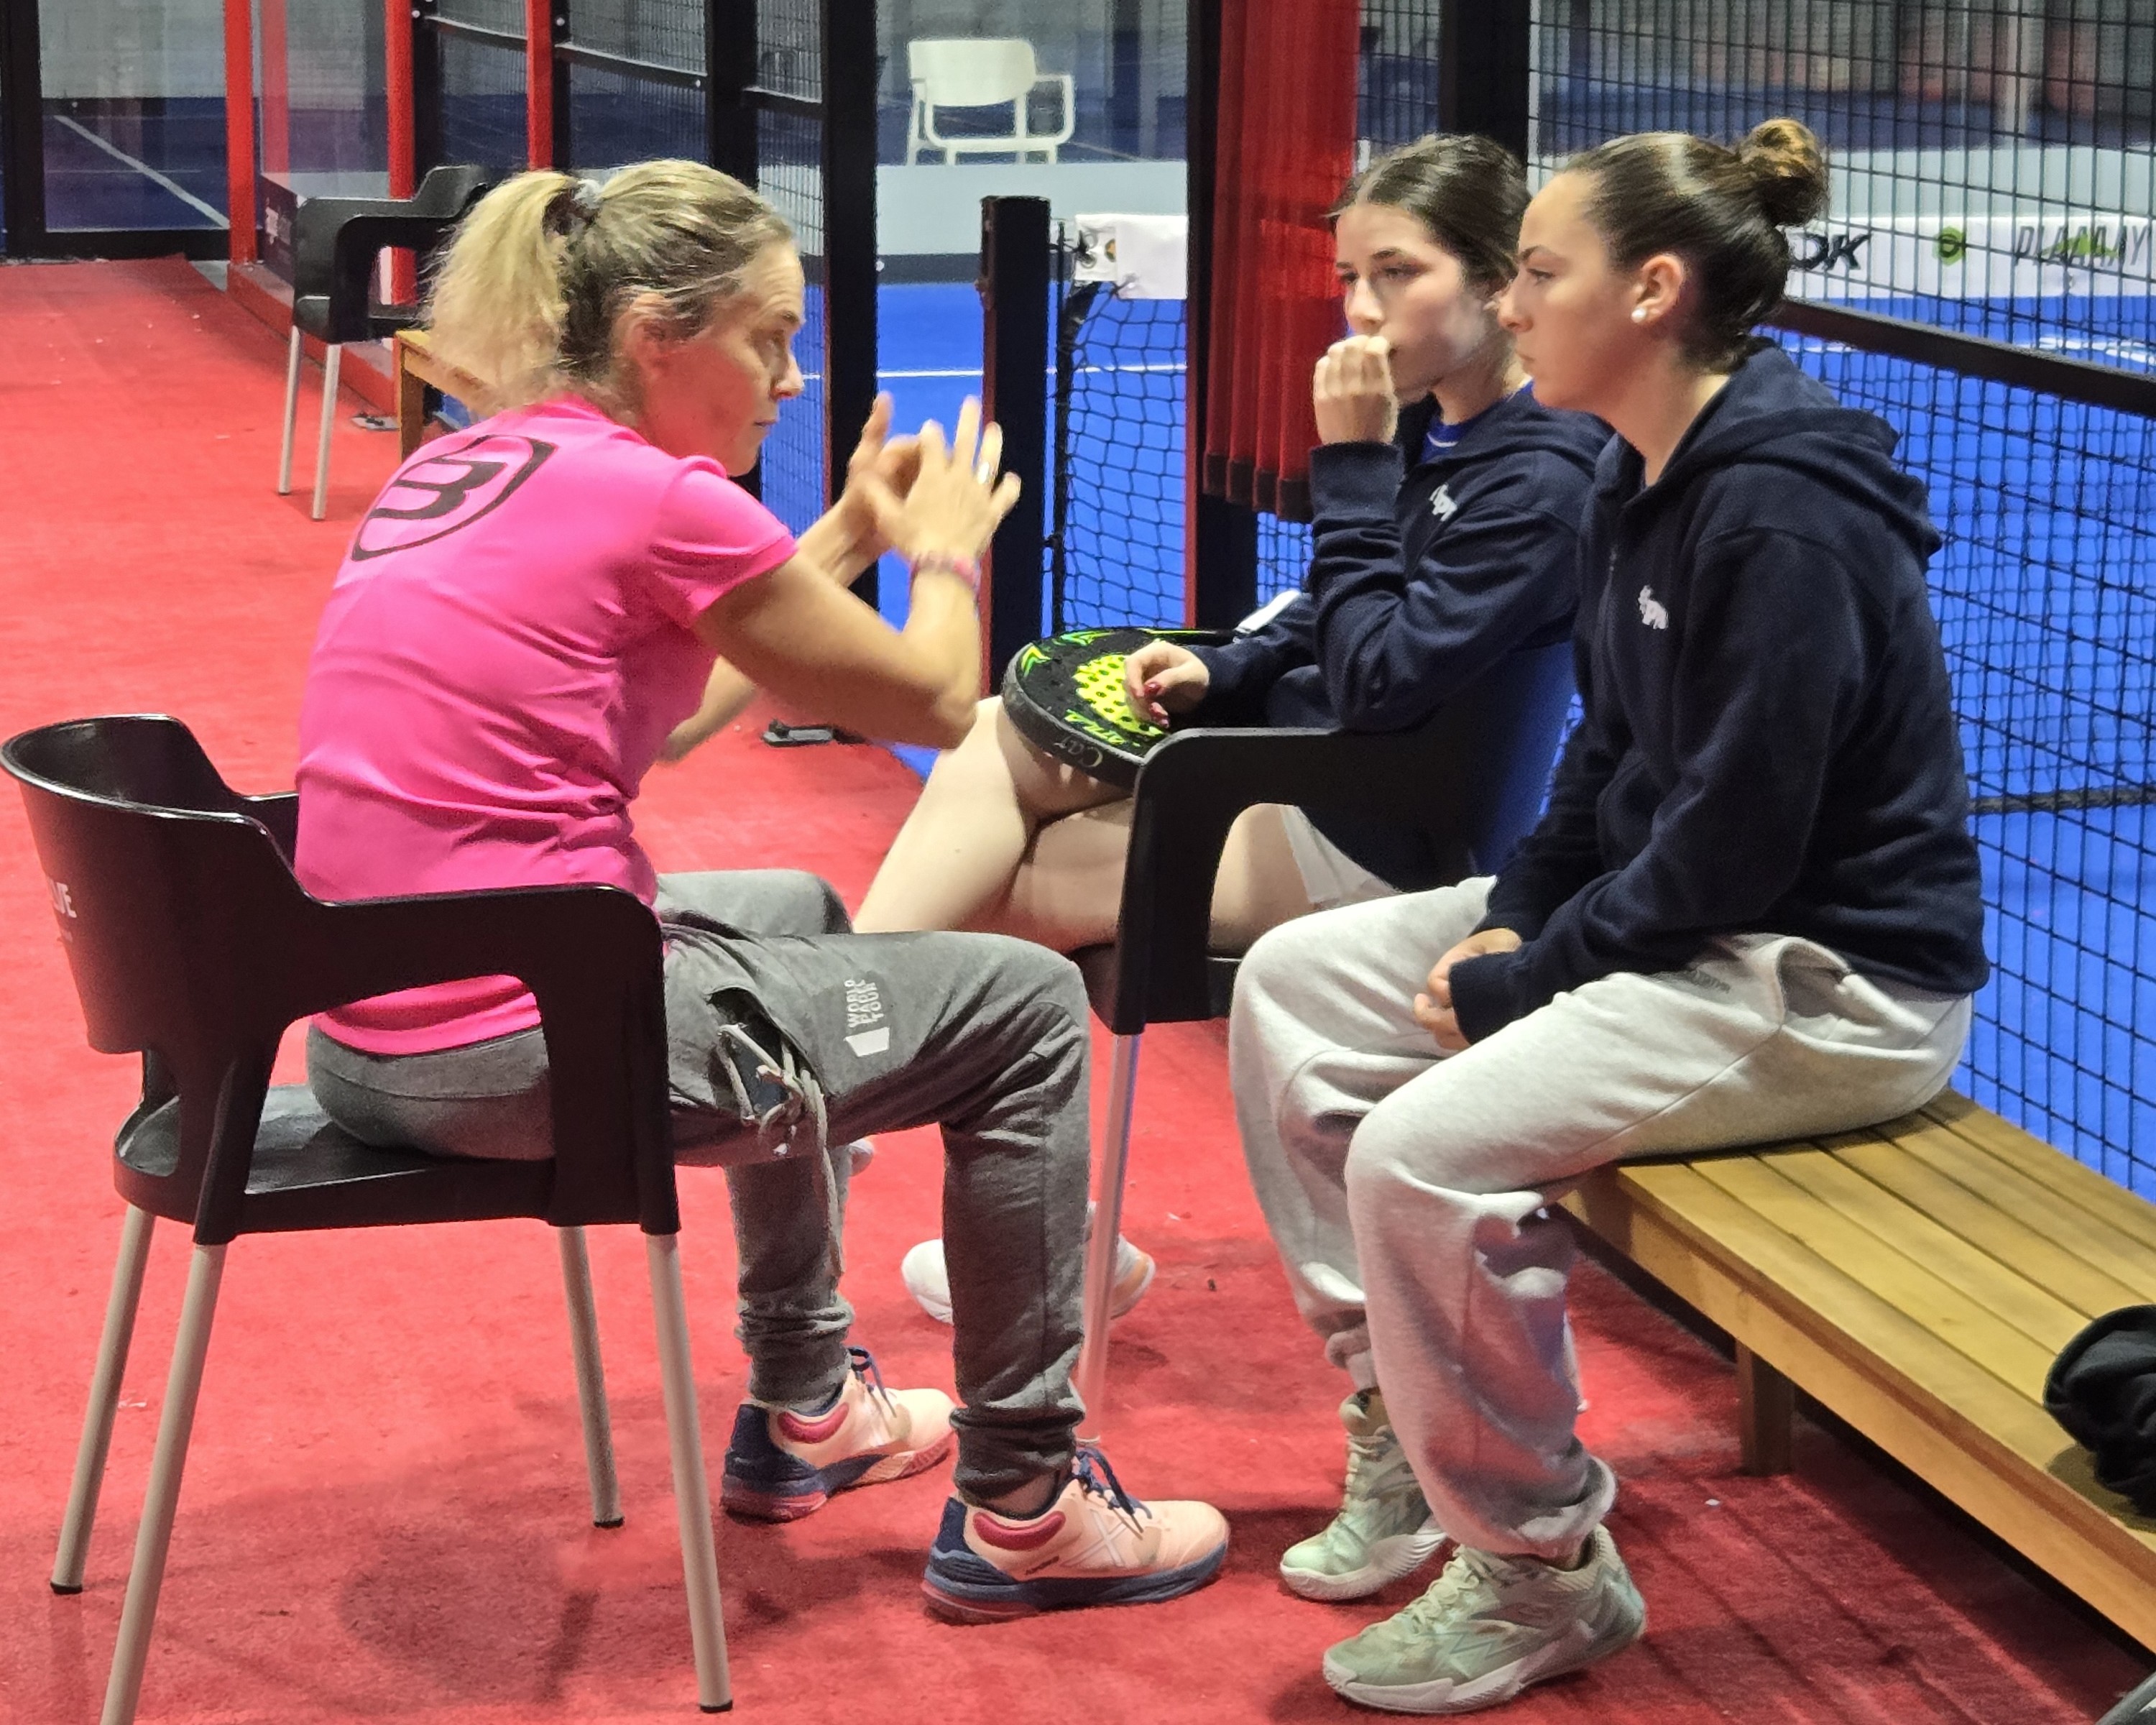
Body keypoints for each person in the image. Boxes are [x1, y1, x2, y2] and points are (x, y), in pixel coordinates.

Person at [292, 160, 1227, 1622]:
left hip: (363, 1031)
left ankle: (808, 1404)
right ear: (656, 336)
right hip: (523, 1046)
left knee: (791, 909)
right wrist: (943, 556)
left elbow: (669, 720)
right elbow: (936, 702)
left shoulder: (472, 461)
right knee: (1032, 1007)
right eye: (769, 338)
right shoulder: (658, 498)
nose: (792, 381)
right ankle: (1030, 1509)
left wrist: (845, 535)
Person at [1230, 118, 1989, 1713]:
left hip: (1826, 981)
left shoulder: (1779, 516)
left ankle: (1539, 1567)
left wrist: (1528, 981)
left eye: (1540, 272)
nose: (1513, 305)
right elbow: (1607, 753)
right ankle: (1405, 1429)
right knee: (1294, 982)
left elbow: (1737, 844)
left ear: (1652, 291)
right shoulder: (1634, 470)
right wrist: (1515, 918)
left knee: (1420, 1151)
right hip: (1684, 932)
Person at [852, 134, 1608, 1328]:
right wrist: (1227, 666)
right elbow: (1332, 607)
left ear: (1498, 281)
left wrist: (1350, 465)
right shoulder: (1443, 432)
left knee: (992, 909)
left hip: (1379, 836)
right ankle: (878, 1099)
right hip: (1299, 781)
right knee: (991, 733)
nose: (1363, 310)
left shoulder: (1541, 478)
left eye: (1398, 274)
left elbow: (1380, 680)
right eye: (1350, 278)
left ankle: (855, 1094)